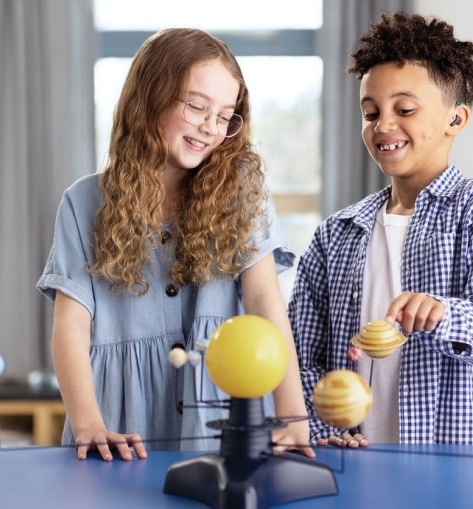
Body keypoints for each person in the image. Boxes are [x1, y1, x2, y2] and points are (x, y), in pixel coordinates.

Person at [36, 28, 313, 461]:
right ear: (149, 98)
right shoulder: (83, 202)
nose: (210, 125)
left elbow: (265, 303)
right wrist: (89, 423)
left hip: (220, 411)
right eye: (197, 106)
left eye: (225, 116)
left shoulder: (242, 191)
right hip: (118, 420)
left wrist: (292, 415)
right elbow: (70, 327)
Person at [289, 12, 473, 448]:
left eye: (404, 109)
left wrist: (443, 313)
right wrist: (325, 428)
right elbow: (301, 356)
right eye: (370, 112)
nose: (383, 124)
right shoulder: (335, 234)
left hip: (451, 471)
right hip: (350, 464)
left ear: (456, 120)